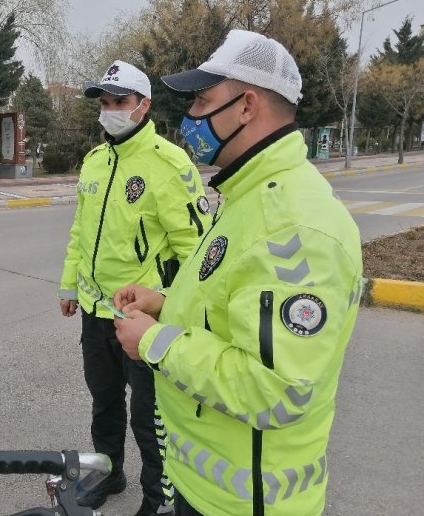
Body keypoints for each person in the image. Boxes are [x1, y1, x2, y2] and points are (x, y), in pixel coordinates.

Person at [113, 30, 363, 515]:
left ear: (247, 106)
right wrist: (165, 304)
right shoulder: (248, 195)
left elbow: (276, 389)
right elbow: (232, 308)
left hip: (246, 501)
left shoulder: (294, 227)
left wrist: (152, 342)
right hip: (208, 486)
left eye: (203, 100)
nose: (190, 117)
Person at [58, 60, 212, 516]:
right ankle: (108, 474)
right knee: (104, 404)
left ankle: (157, 497)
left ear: (143, 106)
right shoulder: (96, 161)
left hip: (143, 318)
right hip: (94, 309)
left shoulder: (168, 163)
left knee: (150, 417)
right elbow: (79, 233)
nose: (110, 111)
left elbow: (196, 250)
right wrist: (69, 285)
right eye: (104, 103)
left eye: (119, 102)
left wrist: (170, 306)